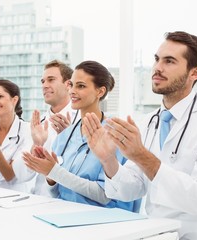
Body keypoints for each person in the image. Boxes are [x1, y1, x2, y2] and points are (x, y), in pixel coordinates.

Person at [82, 31, 197, 239]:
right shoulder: (147, 122)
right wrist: (108, 160)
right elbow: (131, 189)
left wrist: (140, 155)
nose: (157, 68)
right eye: (157, 59)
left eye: (170, 61)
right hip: (157, 234)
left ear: (194, 73)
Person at [23, 60, 141, 212]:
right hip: (66, 216)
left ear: (100, 91)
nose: (72, 91)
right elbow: (57, 193)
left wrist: (55, 171)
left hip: (103, 223)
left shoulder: (115, 135)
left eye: (81, 86)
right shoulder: (64, 136)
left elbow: (105, 195)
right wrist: (50, 177)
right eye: (71, 85)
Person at [30, 59, 80, 195]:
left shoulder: (81, 119)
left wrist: (69, 137)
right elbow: (27, 174)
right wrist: (36, 144)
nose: (44, 85)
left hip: (69, 200)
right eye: (42, 81)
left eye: (51, 80)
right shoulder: (38, 123)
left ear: (68, 85)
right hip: (40, 198)